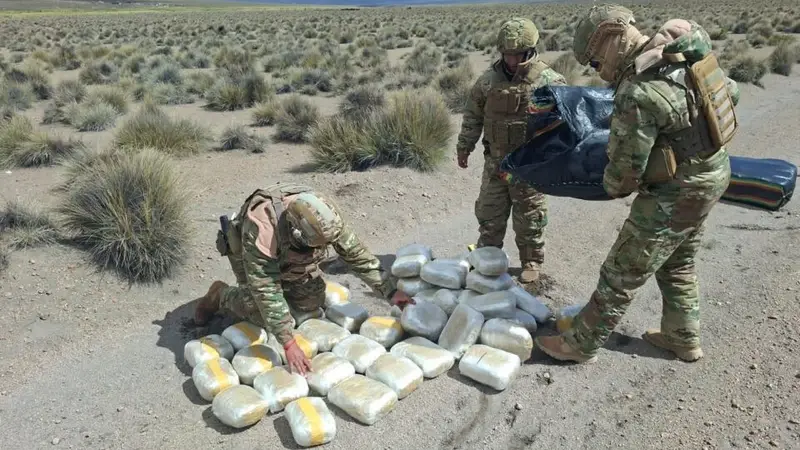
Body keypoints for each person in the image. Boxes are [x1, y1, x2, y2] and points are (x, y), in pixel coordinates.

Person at [536, 4, 738, 363]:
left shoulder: (639, 91)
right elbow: (731, 94)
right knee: (678, 262)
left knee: (621, 271)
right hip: (712, 174)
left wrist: (592, 179)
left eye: (595, 61)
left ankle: (581, 344)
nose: (597, 71)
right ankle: (682, 337)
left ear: (611, 40)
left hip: (675, 192)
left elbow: (624, 174)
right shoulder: (683, 52)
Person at [194, 182, 413, 375]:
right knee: (260, 313)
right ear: (297, 232)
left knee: (310, 302)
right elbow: (265, 286)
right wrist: (288, 343)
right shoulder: (263, 226)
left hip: (289, 253)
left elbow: (356, 254)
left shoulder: (325, 217)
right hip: (249, 254)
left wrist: (391, 291)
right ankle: (220, 294)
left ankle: (286, 289)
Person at [456, 17, 568, 284]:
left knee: (529, 216)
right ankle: (487, 257)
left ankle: (531, 260)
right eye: (507, 54)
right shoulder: (488, 81)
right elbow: (473, 116)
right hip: (495, 163)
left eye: (517, 55)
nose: (511, 60)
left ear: (530, 51)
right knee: (489, 214)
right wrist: (464, 146)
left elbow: (566, 121)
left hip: (529, 166)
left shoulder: (547, 80)